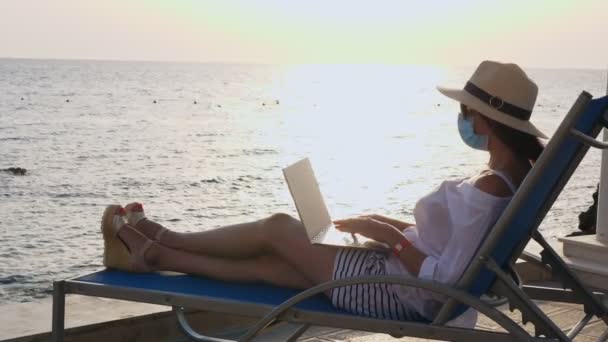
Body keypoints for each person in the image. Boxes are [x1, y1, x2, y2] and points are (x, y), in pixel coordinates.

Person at [100, 61, 547, 327]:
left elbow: (447, 281)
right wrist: (389, 225)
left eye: (466, 111)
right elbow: (453, 249)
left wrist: (388, 237)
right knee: (268, 267)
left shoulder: (490, 187)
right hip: (396, 277)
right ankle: (156, 254)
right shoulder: (507, 179)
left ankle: (164, 239)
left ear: (485, 121)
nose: (462, 119)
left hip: (397, 292)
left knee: (278, 229)